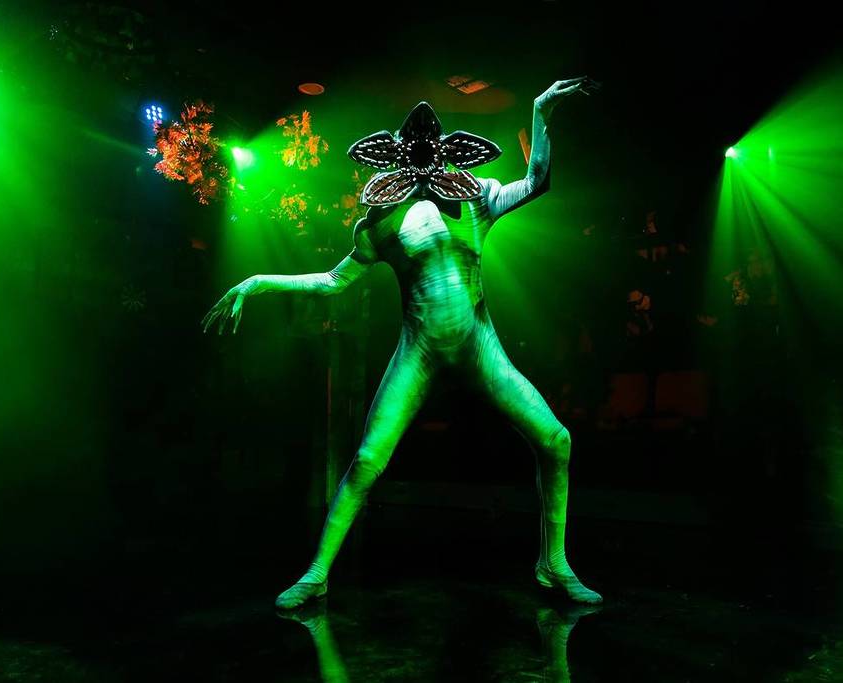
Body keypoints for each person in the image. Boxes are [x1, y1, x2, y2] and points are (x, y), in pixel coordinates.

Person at [203, 77, 602, 609]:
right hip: (419, 350)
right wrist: (256, 283)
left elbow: (536, 180)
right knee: (368, 460)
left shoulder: (476, 198)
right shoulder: (381, 222)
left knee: (555, 441)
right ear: (391, 155)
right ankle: (317, 574)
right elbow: (333, 281)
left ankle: (553, 564)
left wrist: (540, 110)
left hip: (477, 341)